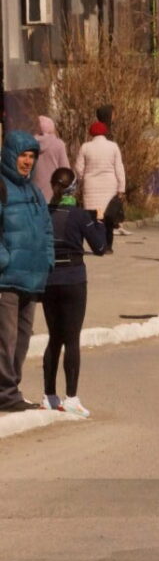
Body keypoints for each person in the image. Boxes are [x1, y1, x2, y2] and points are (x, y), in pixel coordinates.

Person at [40, 166, 105, 416]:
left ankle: (48, 394)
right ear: (74, 188)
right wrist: (98, 221)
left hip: (49, 279)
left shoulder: (44, 213)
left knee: (54, 337)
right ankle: (71, 397)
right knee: (72, 339)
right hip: (73, 279)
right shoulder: (79, 215)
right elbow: (99, 246)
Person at [0, 131, 53, 412]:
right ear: (11, 155)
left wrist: (48, 260)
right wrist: (4, 260)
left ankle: (10, 389)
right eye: (23, 155)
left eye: (32, 156)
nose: (27, 161)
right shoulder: (2, 187)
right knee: (5, 340)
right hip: (6, 279)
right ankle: (6, 393)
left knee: (21, 339)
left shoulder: (33, 191)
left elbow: (46, 228)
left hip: (32, 277)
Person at [74, 120, 126, 253]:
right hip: (110, 185)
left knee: (95, 217)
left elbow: (78, 167)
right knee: (108, 217)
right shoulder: (113, 146)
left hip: (91, 185)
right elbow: (119, 168)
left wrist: (82, 178)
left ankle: (97, 244)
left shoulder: (85, 147)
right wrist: (121, 188)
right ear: (105, 132)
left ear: (91, 133)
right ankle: (108, 246)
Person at [33, 116, 70, 202]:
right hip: (54, 189)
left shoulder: (31, 143)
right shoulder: (58, 144)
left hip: (35, 189)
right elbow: (65, 168)